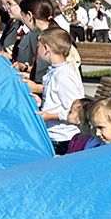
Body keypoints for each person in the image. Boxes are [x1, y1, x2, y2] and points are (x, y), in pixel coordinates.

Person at [36, 27, 84, 155]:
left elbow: (74, 110)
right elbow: (55, 99)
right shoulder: (55, 70)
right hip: (53, 134)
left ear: (46, 48)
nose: (37, 50)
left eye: (38, 46)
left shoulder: (64, 75)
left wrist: (50, 116)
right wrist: (41, 102)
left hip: (63, 137)